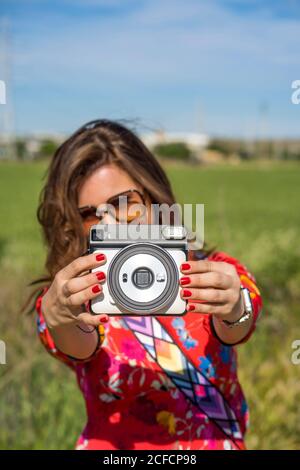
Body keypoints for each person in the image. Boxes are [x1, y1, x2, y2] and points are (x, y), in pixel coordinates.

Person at [31, 119, 262, 450]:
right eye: (91, 215)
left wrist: (235, 306)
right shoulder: (75, 295)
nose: (110, 224)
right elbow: (74, 342)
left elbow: (237, 326)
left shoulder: (211, 272)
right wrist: (61, 317)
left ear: (154, 195)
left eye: (124, 204)